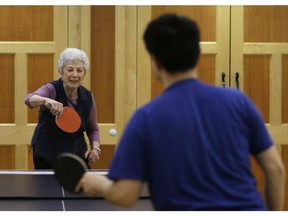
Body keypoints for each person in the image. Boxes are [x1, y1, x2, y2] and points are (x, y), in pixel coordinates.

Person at [76, 14, 285, 210]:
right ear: (198, 55)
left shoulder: (146, 118)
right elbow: (275, 169)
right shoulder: (239, 102)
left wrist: (101, 184)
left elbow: (125, 194)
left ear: (155, 62)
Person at [25, 48, 100, 169]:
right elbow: (29, 99)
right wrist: (46, 100)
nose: (75, 75)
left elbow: (93, 129)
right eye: (70, 69)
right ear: (61, 72)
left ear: (84, 74)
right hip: (48, 156)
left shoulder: (88, 97)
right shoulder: (51, 89)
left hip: (76, 155)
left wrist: (95, 148)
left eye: (79, 70)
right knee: (47, 188)